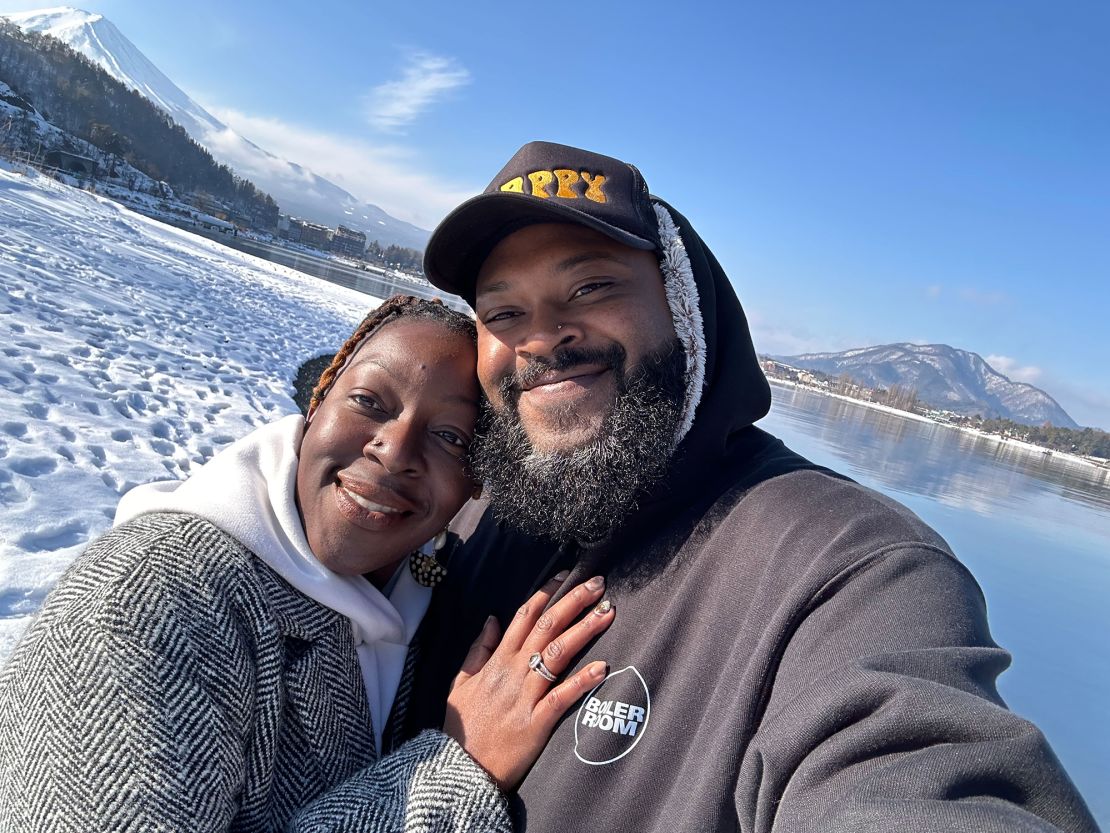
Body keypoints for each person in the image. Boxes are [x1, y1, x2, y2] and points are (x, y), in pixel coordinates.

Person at [405, 143, 1100, 832]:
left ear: (683, 307)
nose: (542, 337)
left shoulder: (848, 566)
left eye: (590, 287)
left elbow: (917, 766)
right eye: (502, 313)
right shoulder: (477, 508)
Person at [0, 295, 616, 832]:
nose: (395, 450)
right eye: (370, 402)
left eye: (450, 436)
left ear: (475, 484)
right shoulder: (146, 604)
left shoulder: (415, 586)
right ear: (316, 406)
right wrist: (460, 767)